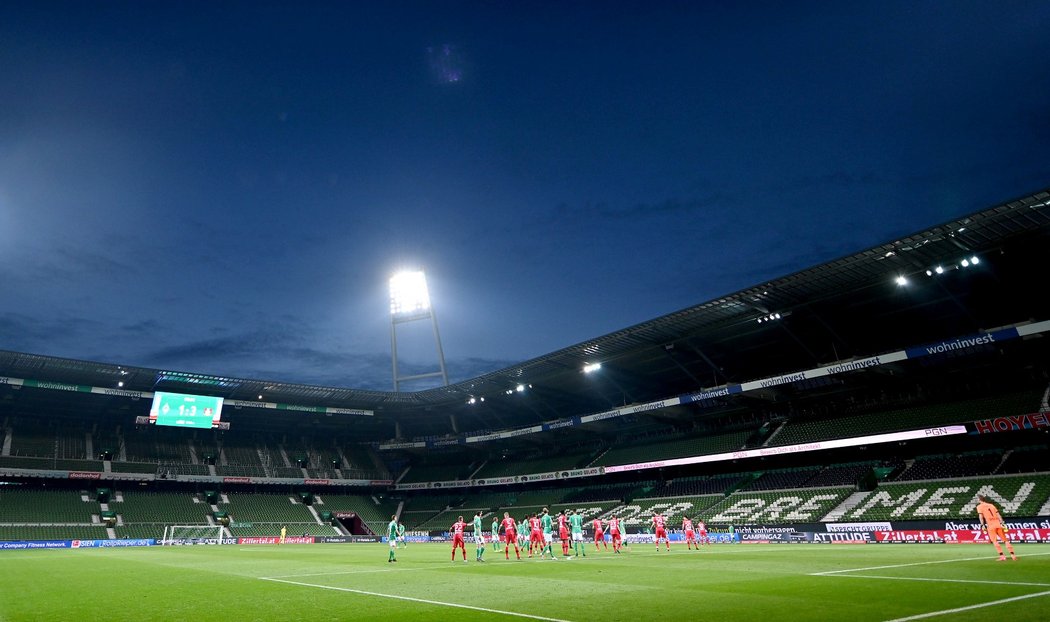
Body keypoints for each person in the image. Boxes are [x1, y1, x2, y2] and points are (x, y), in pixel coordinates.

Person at [977, 495, 1017, 561]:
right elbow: (998, 515)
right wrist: (1002, 523)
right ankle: (1013, 555)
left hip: (991, 525)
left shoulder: (979, 506)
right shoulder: (991, 505)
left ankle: (1002, 556)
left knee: (994, 541)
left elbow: (981, 517)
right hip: (998, 523)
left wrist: (982, 525)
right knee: (1005, 540)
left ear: (979, 500)